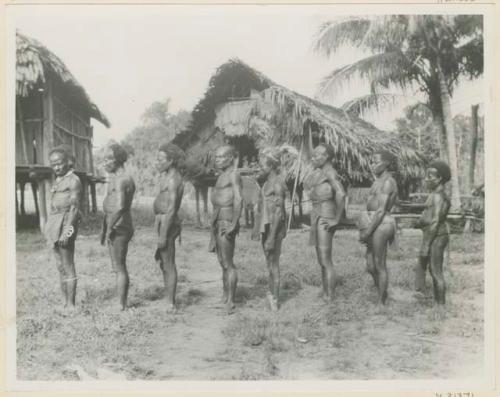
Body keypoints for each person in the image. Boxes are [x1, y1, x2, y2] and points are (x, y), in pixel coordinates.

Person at [44, 146, 82, 311]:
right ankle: (64, 302)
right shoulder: (57, 181)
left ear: (67, 162)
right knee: (60, 266)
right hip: (54, 223)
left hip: (67, 222)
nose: (57, 167)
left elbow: (74, 209)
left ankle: (71, 305)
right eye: (53, 164)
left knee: (67, 265)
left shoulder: (73, 180)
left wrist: (67, 232)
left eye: (59, 163)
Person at [358, 150, 398, 305]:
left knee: (379, 263)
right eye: (372, 161)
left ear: (386, 163)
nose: (372, 164)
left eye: (376, 161)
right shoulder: (377, 181)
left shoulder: (388, 182)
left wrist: (368, 231)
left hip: (382, 222)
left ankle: (381, 301)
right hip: (372, 221)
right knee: (370, 264)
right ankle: (382, 291)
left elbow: (381, 210)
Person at [308, 144, 346, 302]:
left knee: (325, 259)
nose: (313, 158)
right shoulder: (321, 172)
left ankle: (330, 296)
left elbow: (341, 194)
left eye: (317, 155)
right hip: (319, 215)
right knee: (321, 259)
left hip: (325, 215)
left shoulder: (330, 172)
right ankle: (326, 293)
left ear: (326, 157)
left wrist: (336, 219)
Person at [101, 142, 136, 311]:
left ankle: (121, 304)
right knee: (116, 266)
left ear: (118, 160)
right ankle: (120, 302)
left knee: (119, 265)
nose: (105, 162)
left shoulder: (122, 179)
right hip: (116, 224)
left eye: (108, 159)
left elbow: (121, 207)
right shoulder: (116, 178)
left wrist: (109, 227)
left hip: (119, 226)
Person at [209, 145, 243, 314]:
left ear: (230, 158)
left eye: (221, 157)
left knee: (228, 262)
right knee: (222, 261)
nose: (217, 160)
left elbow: (238, 199)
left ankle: (231, 301)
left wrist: (234, 223)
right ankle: (225, 296)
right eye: (216, 157)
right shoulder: (222, 175)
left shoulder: (233, 175)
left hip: (226, 220)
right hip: (218, 219)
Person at [251, 147, 287, 311]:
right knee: (269, 261)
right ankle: (272, 293)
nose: (260, 169)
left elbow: (279, 211)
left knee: (274, 263)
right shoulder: (266, 183)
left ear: (272, 166)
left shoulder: (278, 183)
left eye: (263, 166)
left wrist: (272, 237)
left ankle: (276, 300)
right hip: (267, 227)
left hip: (274, 228)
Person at [154, 143, 185, 313]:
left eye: (160, 159)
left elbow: (172, 208)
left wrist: (163, 234)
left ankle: (170, 302)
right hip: (163, 221)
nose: (157, 162)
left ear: (171, 160)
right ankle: (168, 298)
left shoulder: (174, 179)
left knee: (169, 263)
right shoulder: (168, 176)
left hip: (168, 222)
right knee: (164, 263)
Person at [414, 160, 451, 306]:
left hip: (437, 236)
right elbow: (429, 216)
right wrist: (420, 222)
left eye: (431, 177)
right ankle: (434, 300)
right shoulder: (435, 194)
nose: (427, 179)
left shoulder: (438, 196)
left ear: (440, 178)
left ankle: (441, 307)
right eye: (426, 176)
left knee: (436, 271)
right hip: (433, 234)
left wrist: (426, 246)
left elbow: (435, 221)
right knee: (429, 268)